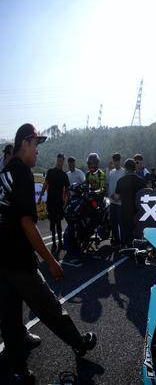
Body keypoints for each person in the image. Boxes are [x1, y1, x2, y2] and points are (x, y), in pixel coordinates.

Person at [0, 124, 96, 384]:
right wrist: (51, 261)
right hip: (19, 259)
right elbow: (27, 222)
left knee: (9, 316)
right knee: (49, 306)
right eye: (36, 145)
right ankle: (79, 343)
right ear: (25, 143)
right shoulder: (22, 172)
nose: (38, 152)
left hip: (2, 258)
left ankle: (19, 370)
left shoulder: (4, 173)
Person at [38, 153, 69, 254]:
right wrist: (40, 196)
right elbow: (45, 184)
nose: (60, 162)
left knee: (58, 223)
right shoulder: (50, 172)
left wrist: (65, 202)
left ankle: (60, 242)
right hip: (50, 201)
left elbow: (67, 190)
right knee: (52, 223)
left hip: (59, 202)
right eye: (58, 160)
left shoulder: (64, 175)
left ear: (63, 162)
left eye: (61, 160)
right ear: (57, 160)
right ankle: (54, 243)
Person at [114, 158, 147, 247]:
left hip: (125, 210)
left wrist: (112, 196)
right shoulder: (140, 180)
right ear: (134, 168)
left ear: (125, 168)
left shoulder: (120, 181)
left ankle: (128, 247)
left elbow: (117, 197)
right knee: (138, 231)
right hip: (138, 211)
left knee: (127, 231)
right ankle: (138, 247)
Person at [107, 153, 125, 247]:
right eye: (115, 160)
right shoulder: (111, 172)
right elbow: (109, 185)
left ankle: (123, 242)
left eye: (117, 160)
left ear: (120, 160)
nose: (116, 162)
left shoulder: (124, 172)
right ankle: (116, 241)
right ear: (113, 161)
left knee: (121, 223)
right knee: (113, 223)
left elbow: (125, 187)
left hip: (120, 203)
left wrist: (120, 196)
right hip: (112, 202)